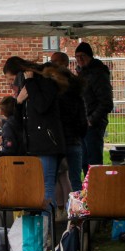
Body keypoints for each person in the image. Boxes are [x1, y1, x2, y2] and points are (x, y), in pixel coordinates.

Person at [2, 56, 67, 207]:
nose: (11, 84)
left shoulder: (43, 81)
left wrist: (30, 83)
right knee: (40, 186)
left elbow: (42, 106)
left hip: (47, 143)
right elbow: (18, 119)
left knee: (46, 185)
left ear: (20, 73)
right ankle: (44, 223)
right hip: (34, 145)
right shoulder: (26, 86)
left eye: (11, 79)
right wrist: (18, 101)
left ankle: (47, 224)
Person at [50, 52, 87, 191]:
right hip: (74, 140)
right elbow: (83, 120)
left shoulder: (52, 93)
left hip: (58, 142)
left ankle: (59, 210)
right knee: (75, 180)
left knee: (55, 179)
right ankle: (75, 211)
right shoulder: (76, 92)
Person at [74, 42, 114, 173]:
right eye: (77, 57)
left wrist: (91, 120)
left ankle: (96, 190)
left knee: (93, 163)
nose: (79, 60)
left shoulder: (98, 73)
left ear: (89, 56)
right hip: (84, 124)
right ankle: (89, 190)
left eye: (82, 56)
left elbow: (106, 102)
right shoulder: (82, 73)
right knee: (85, 162)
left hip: (93, 124)